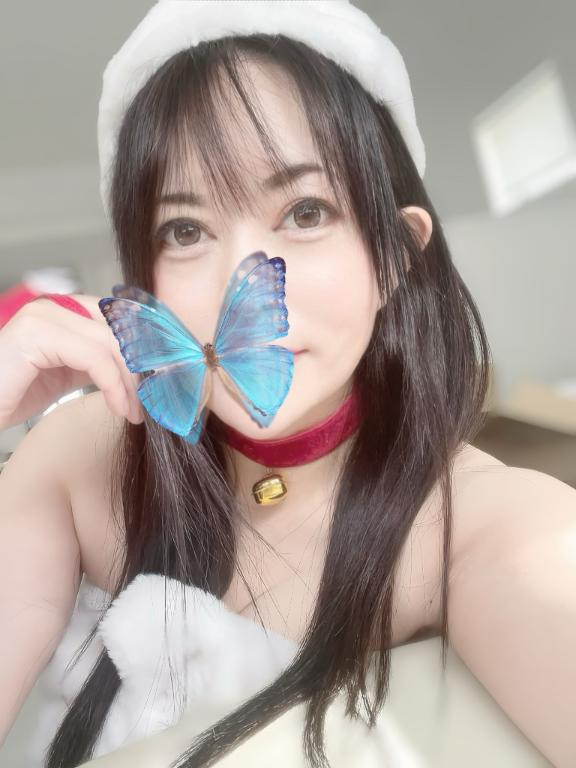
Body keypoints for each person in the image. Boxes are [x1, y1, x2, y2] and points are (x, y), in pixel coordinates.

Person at [1, 2, 575, 767]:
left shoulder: (475, 521)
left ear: (395, 256)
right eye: (185, 230)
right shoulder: (77, 457)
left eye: (305, 212)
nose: (235, 278)